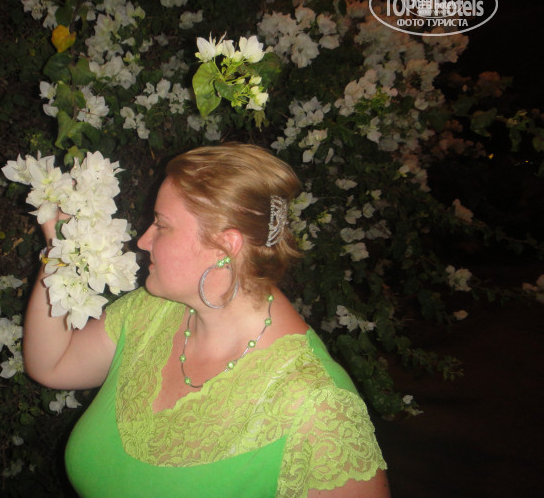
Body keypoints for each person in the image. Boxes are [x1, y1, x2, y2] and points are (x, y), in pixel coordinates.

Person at [23, 143, 389, 497]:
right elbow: (51, 364)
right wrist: (61, 251)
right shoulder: (151, 311)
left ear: (225, 247)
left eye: (161, 225)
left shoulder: (318, 408)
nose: (143, 241)